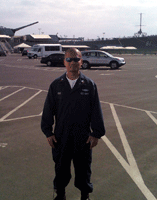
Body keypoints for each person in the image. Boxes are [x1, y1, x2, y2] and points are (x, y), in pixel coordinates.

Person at [41, 48, 105, 200]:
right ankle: (60, 195)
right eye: (69, 60)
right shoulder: (56, 85)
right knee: (61, 167)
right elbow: (48, 110)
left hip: (82, 137)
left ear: (81, 62)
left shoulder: (89, 85)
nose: (73, 63)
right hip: (61, 136)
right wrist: (48, 132)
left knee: (83, 169)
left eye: (76, 59)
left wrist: (96, 133)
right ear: (64, 62)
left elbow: (96, 110)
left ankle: (85, 195)